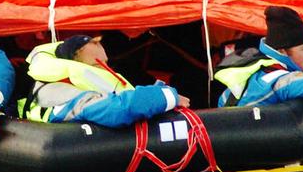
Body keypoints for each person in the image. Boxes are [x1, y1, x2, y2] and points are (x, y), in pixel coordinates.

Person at [18, 34, 190, 127]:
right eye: (97, 65)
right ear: (76, 61)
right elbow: (117, 109)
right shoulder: (63, 93)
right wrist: (165, 96)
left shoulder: (59, 83)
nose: (105, 71)